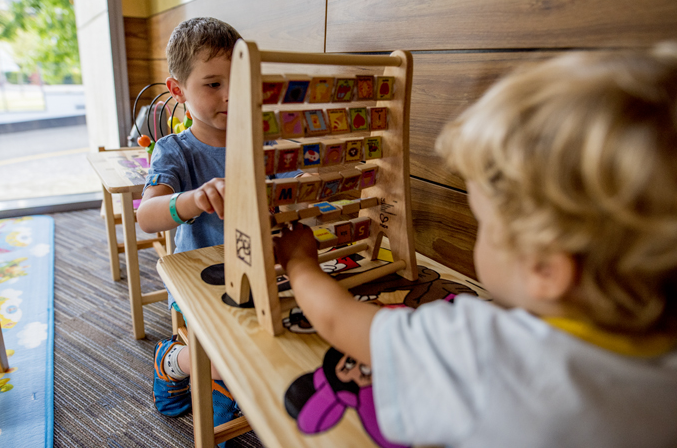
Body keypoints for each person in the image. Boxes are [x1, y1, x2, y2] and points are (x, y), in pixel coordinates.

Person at [273, 44, 677, 447]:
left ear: (545, 268)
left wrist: (300, 261)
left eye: (482, 222)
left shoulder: (484, 353)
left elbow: (340, 322)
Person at [137, 16, 242, 429]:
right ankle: (174, 362)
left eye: (239, 80)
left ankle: (219, 374)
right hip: (199, 282)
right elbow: (147, 216)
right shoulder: (174, 150)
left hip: (257, 271)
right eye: (213, 84)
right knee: (226, 359)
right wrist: (194, 199)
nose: (230, 95)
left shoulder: (261, 140)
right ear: (178, 90)